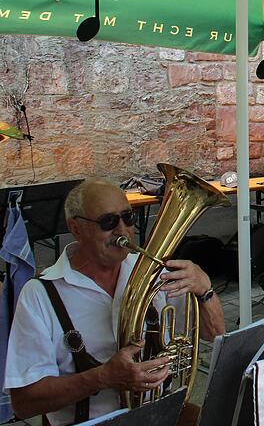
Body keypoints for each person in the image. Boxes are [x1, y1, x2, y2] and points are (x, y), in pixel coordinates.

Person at [4, 179, 225, 426]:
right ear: (75, 228)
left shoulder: (153, 273)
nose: (122, 230)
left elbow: (215, 335)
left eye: (128, 218)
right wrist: (102, 377)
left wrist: (204, 290)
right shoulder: (40, 294)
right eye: (108, 222)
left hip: (162, 414)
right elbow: (23, 402)